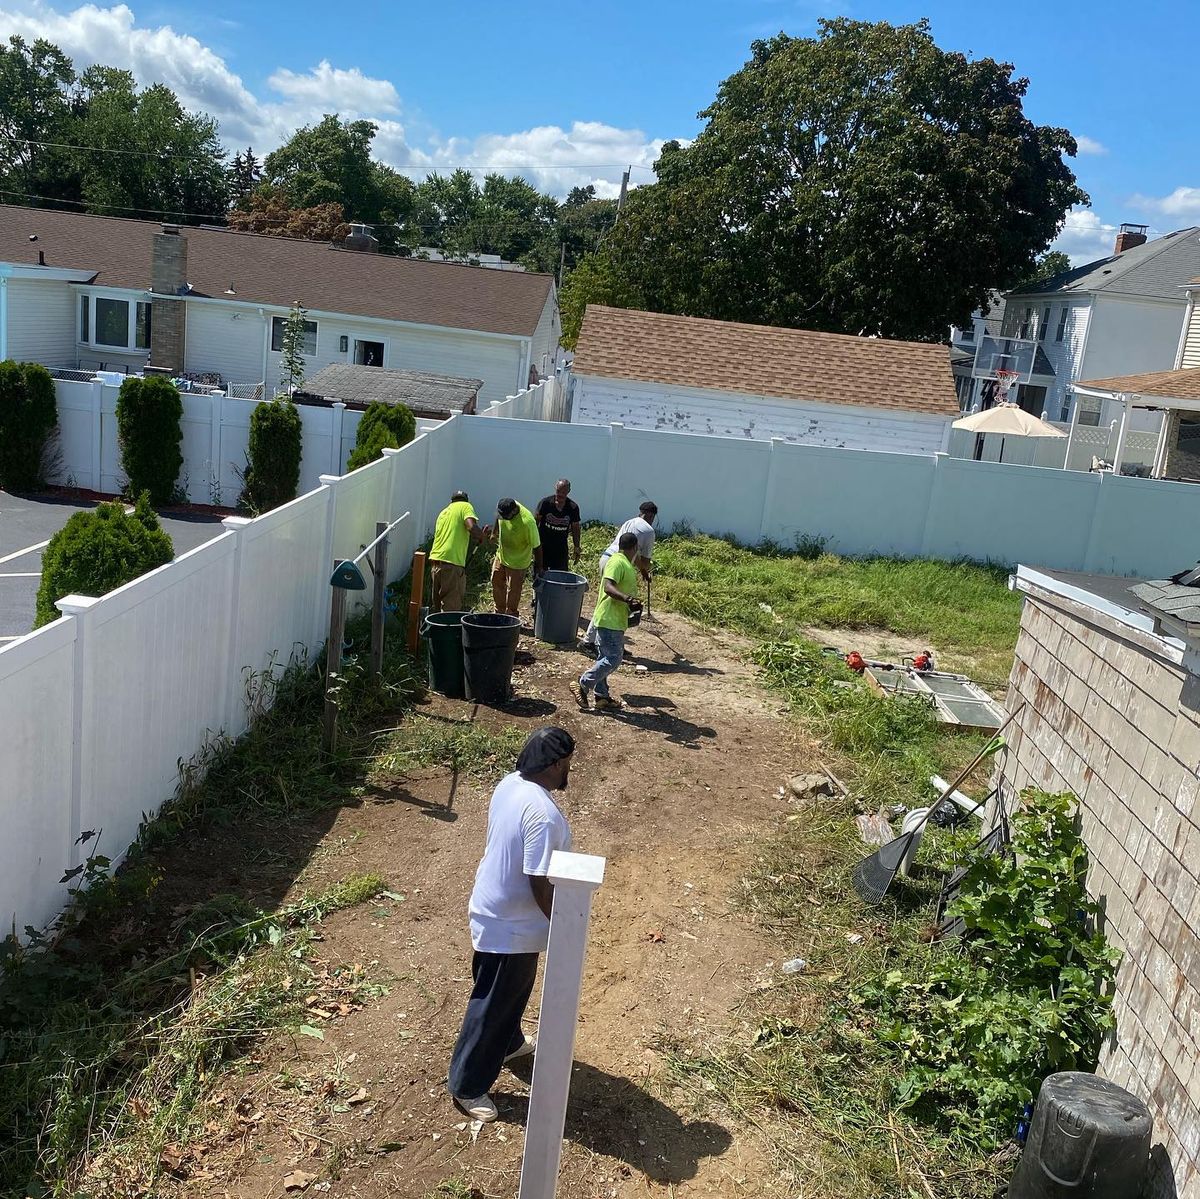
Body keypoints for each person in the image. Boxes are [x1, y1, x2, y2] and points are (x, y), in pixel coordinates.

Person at [447, 727, 575, 1122]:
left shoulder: (511, 784)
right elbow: (539, 879)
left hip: (495, 909)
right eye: (567, 762)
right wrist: (565, 925)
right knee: (491, 1004)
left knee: (510, 991)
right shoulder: (543, 815)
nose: (569, 769)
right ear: (553, 765)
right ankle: (467, 1084)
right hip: (510, 926)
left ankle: (510, 1041)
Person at [572, 530, 642, 711]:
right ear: (635, 548)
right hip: (609, 619)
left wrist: (631, 604)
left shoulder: (623, 563)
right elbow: (609, 587)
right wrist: (627, 599)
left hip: (615, 618)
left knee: (604, 657)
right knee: (613, 658)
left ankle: (602, 697)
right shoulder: (618, 562)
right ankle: (583, 684)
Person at [581, 501, 657, 650]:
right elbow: (645, 560)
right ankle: (591, 642)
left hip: (606, 557)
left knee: (609, 602)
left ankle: (607, 643)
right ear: (651, 515)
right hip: (618, 563)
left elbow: (634, 554)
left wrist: (642, 571)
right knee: (613, 602)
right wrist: (645, 571)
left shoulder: (629, 522)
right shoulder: (648, 531)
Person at [428, 491, 486, 613]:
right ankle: (449, 631)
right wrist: (481, 536)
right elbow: (471, 526)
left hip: (435, 563)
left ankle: (436, 631)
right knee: (451, 609)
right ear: (466, 501)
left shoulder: (444, 512)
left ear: (451, 501)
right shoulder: (465, 506)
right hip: (451, 564)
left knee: (437, 609)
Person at [491, 497, 542, 618]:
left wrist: (539, 567)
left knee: (513, 591)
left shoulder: (528, 522)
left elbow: (537, 547)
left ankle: (511, 616)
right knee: (496, 581)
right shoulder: (505, 508)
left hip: (518, 562)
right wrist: (494, 532)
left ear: (513, 512)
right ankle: (499, 612)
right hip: (502, 555)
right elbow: (498, 517)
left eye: (505, 516)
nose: (502, 517)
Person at [535, 479, 582, 573]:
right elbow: (535, 523)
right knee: (539, 575)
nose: (560, 494)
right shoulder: (545, 503)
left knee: (560, 576)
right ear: (555, 488)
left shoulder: (573, 507)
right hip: (543, 547)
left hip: (560, 549)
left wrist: (577, 546)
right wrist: (533, 544)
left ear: (568, 491)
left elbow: (575, 528)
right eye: (558, 491)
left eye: (563, 492)